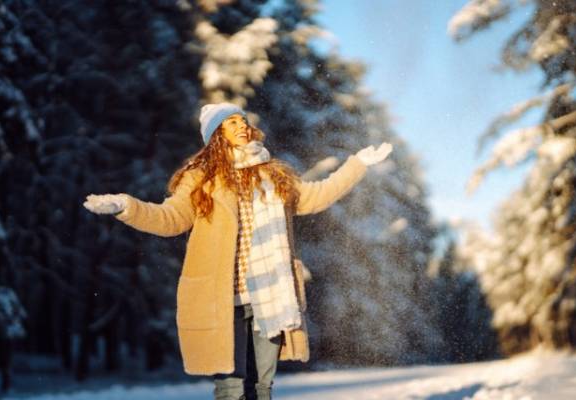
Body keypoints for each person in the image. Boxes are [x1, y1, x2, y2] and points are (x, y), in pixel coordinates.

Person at [83, 102, 392, 400]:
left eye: (243, 121)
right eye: (231, 123)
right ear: (216, 133)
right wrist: (127, 207)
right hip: (222, 297)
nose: (242, 127)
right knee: (231, 390)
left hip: (269, 294)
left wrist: (357, 165)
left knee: (261, 387)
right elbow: (170, 218)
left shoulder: (274, 175)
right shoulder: (200, 178)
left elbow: (318, 195)